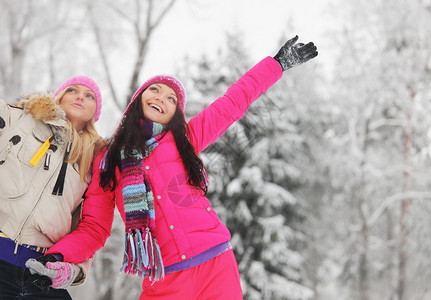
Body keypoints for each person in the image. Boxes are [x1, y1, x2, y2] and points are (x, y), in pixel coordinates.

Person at [28, 36, 318, 299]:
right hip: (163, 278)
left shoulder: (185, 140)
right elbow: (94, 226)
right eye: (154, 90)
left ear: (175, 113)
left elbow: (233, 102)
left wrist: (276, 65)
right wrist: (58, 257)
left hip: (216, 265)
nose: (161, 98)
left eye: (171, 99)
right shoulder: (108, 160)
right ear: (138, 100)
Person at [0, 76, 104, 299]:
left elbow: (91, 228)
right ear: (59, 97)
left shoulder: (94, 161)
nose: (80, 97)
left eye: (89, 95)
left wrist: (76, 270)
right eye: (72, 90)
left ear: (96, 111)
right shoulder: (21, 120)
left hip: (39, 272)